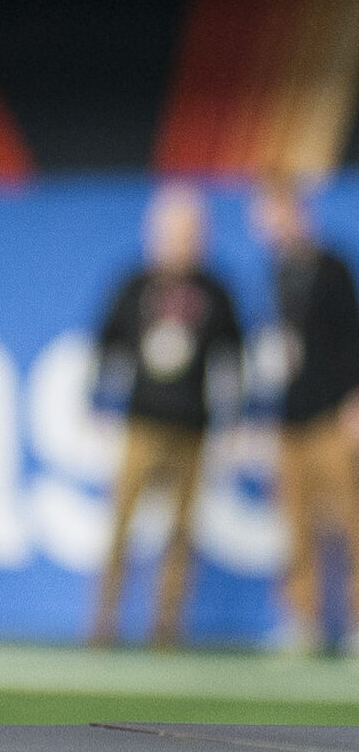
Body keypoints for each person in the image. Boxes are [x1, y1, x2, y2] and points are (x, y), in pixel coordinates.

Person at [89, 185, 243, 647]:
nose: (181, 239)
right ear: (153, 233)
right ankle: (103, 623)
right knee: (120, 525)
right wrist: (96, 402)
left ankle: (166, 627)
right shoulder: (133, 285)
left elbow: (232, 358)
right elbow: (105, 346)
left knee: (181, 532)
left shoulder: (216, 290)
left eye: (190, 230)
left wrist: (235, 418)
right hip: (142, 422)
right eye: (172, 230)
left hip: (193, 426)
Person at [250, 170, 359, 655]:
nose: (267, 223)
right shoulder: (274, 272)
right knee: (294, 528)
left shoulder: (330, 267)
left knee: (350, 521)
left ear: (296, 212)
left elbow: (352, 339)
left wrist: (354, 401)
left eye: (274, 212)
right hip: (288, 419)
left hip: (331, 416)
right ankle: (304, 620)